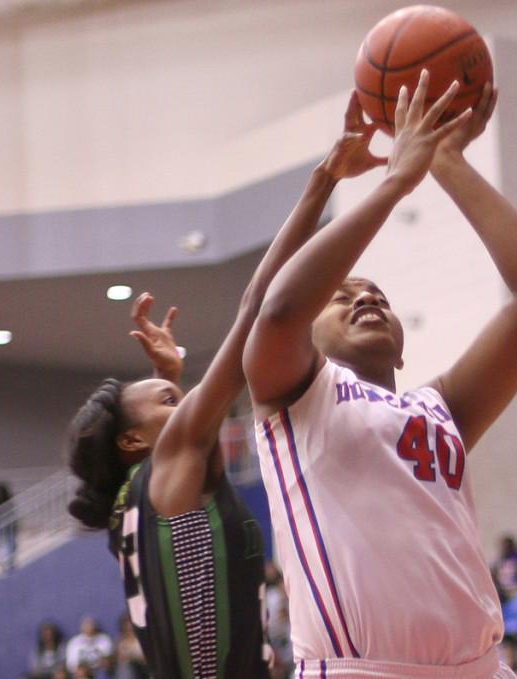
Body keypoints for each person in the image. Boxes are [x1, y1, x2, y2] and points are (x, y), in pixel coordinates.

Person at [243, 73, 517, 678]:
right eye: (342, 297)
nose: (365, 297)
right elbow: (277, 308)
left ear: (400, 350)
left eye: (377, 294)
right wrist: (391, 182)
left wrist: (447, 164)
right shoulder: (297, 399)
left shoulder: (442, 408)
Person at [65, 92, 386, 679]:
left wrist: (168, 379)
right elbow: (258, 305)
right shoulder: (167, 478)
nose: (185, 404)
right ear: (132, 443)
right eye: (170, 401)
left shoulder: (131, 509)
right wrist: (325, 180)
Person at [114, 614, 148, 679]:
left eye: (130, 625)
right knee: (124, 667)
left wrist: (133, 657)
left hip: (143, 669)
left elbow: (146, 659)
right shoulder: (121, 642)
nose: (129, 628)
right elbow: (119, 659)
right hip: (128, 671)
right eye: (126, 626)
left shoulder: (141, 640)